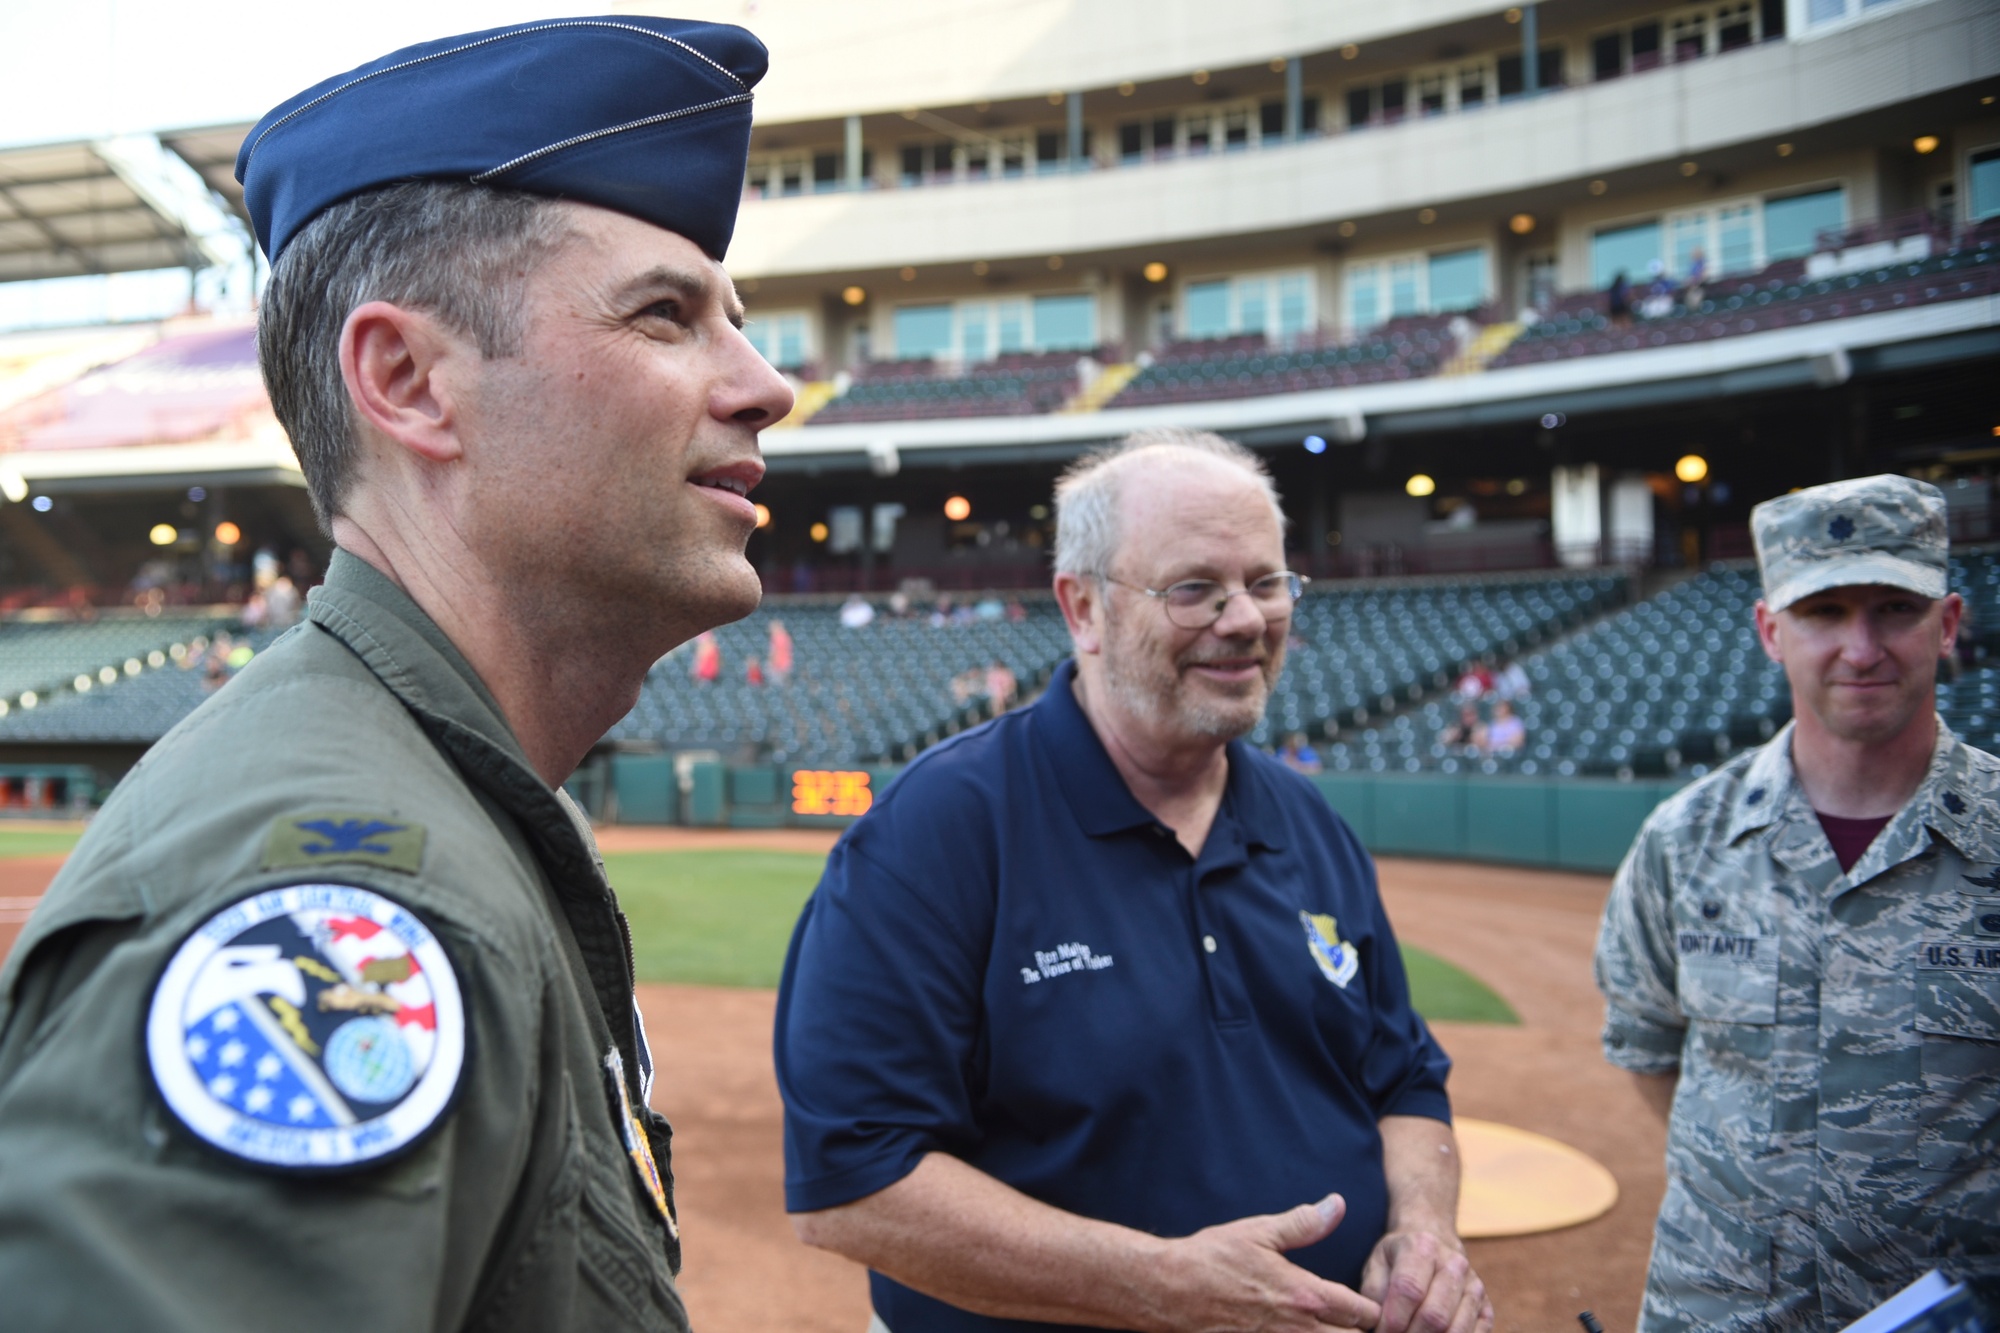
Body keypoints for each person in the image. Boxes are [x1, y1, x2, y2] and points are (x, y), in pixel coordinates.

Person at [0, 18, 790, 1331]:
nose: (763, 384)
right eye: (668, 315)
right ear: (411, 382)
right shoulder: (336, 893)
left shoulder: (447, 793)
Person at [776, 431, 1489, 1333]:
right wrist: (1158, 1286)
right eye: (1194, 588)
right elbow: (852, 1183)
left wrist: (1426, 1231)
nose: (1244, 618)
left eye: (1267, 583)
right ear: (1084, 610)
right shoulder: (941, 829)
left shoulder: (1311, 826)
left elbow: (1406, 1083)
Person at [1594, 475, 1999, 1331]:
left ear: (1949, 622)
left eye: (1895, 607)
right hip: (1717, 1307)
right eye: (1823, 612)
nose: (1861, 647)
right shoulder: (1685, 840)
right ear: (1771, 631)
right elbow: (1648, 1049)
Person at [768, 617, 794, 684]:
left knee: (777, 684)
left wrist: (772, 664)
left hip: (779, 665)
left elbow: (774, 652)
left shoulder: (777, 637)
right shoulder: (786, 636)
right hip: (785, 664)